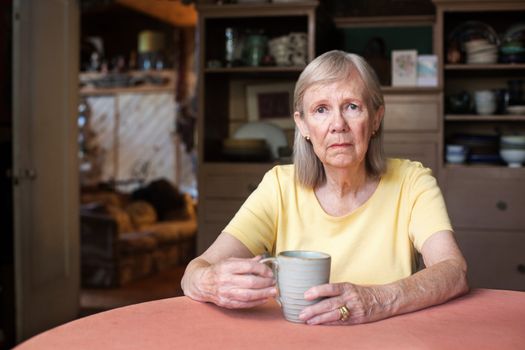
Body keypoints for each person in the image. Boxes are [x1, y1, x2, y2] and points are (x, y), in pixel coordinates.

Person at [181, 50, 469, 325]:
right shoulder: (279, 186)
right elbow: (196, 270)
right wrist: (211, 282)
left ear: (376, 119)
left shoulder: (412, 182)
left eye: (352, 107)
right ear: (303, 125)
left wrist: (377, 299)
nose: (338, 125)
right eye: (321, 110)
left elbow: (454, 271)